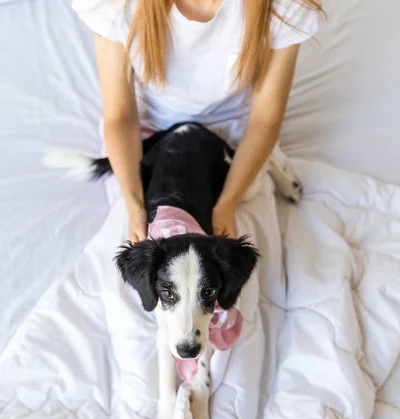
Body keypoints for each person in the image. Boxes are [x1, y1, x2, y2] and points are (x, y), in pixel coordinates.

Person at [72, 0, 322, 242]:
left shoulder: (284, 6)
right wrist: (135, 207)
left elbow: (265, 121)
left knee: (244, 254)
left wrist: (227, 203)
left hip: (236, 138)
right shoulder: (115, 5)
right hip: (148, 137)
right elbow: (120, 116)